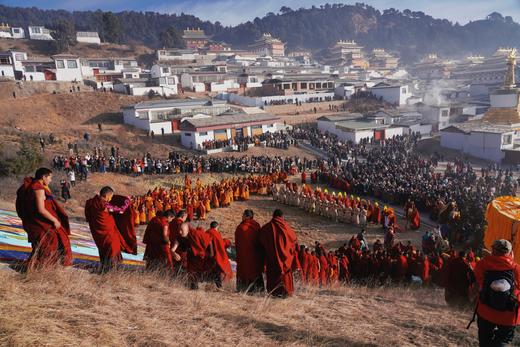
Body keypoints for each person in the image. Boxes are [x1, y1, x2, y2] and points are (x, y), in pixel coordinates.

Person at [15, 168, 72, 268]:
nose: (50, 180)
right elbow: (41, 209)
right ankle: (40, 269)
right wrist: (54, 220)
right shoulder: (38, 188)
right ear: (43, 177)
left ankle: (34, 268)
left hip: (35, 222)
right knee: (48, 247)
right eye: (50, 177)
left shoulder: (31, 186)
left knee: (40, 247)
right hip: (42, 223)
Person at [473, 240, 520, 346]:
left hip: (486, 310)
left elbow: (478, 278)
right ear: (510, 252)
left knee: (485, 340)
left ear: (493, 249)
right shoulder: (516, 268)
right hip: (508, 315)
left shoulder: (483, 263)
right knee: (502, 340)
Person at [85, 186, 128, 272]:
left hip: (98, 232)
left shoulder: (91, 202)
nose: (111, 199)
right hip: (108, 233)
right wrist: (127, 202)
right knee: (112, 248)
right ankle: (111, 271)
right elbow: (121, 210)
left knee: (103, 249)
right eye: (111, 197)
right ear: (107, 196)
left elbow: (88, 216)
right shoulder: (104, 205)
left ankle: (105, 268)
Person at [259, 209, 297, 297]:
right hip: (285, 261)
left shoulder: (267, 228)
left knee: (273, 278)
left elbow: (261, 240)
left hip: (272, 259)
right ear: (282, 217)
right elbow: (294, 239)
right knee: (285, 279)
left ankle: (273, 293)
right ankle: (286, 293)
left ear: (273, 216)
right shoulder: (287, 228)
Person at [172, 223, 212, 290]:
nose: (180, 232)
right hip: (191, 258)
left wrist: (212, 253)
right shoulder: (179, 237)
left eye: (182, 230)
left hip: (201, 255)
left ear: (188, 230)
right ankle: (193, 288)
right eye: (179, 230)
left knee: (202, 273)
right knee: (191, 273)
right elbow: (172, 249)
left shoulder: (196, 234)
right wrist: (174, 253)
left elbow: (209, 240)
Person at [234, 209, 264, 293]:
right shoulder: (256, 225)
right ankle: (258, 290)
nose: (242, 216)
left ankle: (242, 290)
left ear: (247, 216)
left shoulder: (240, 227)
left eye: (243, 215)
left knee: (244, 270)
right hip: (255, 254)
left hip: (243, 254)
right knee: (255, 271)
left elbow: (238, 243)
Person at [206, 221, 233, 287]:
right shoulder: (216, 234)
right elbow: (220, 244)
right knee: (219, 269)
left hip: (208, 255)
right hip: (216, 255)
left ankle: (212, 284)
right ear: (217, 227)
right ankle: (218, 285)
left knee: (212, 270)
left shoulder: (207, 232)